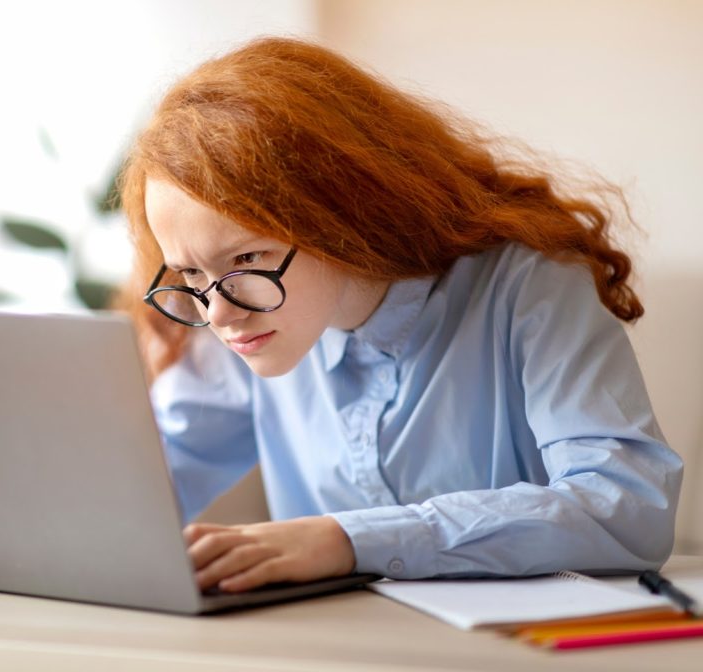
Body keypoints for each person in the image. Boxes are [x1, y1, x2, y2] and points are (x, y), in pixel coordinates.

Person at [117, 36, 683, 594]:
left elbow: (628, 506)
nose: (217, 312)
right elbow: (148, 478)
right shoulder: (245, 316)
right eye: (190, 274)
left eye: (246, 257)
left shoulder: (530, 286)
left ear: (341, 213)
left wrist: (345, 541)